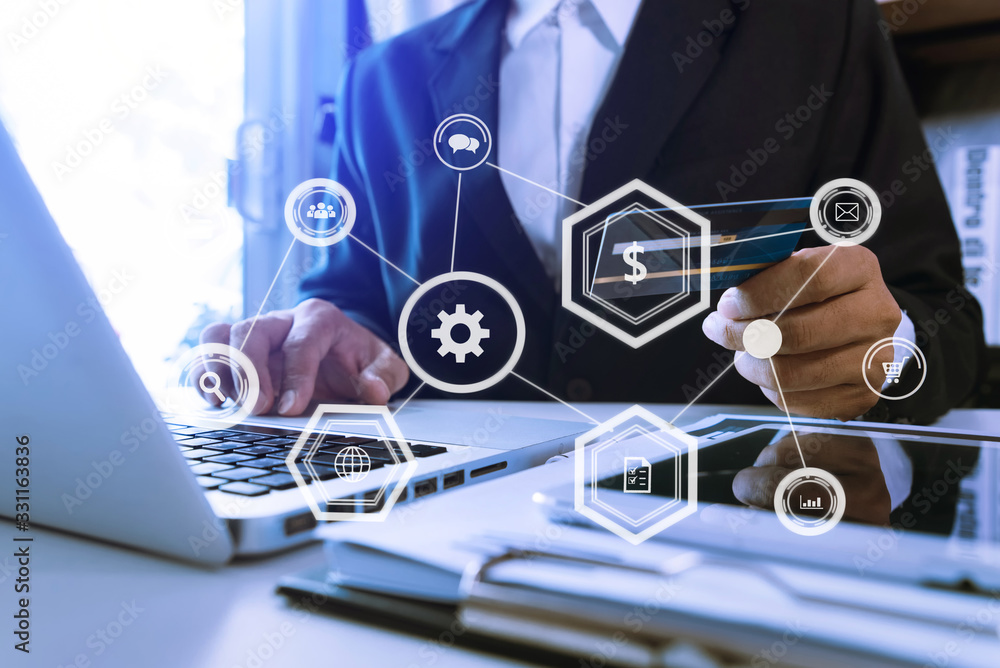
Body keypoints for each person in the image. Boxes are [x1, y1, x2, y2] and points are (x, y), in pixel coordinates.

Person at [201, 0, 985, 425]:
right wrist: (323, 337)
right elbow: (356, 302)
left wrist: (883, 351)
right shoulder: (387, 78)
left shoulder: (812, 24)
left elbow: (941, 316)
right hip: (439, 546)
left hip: (732, 539)